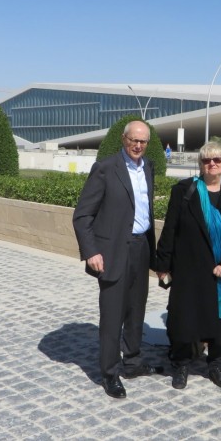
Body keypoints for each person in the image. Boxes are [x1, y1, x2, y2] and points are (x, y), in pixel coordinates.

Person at [73, 120, 164, 399]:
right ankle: (110, 373)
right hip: (112, 252)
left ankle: (133, 362)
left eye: (143, 142)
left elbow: (144, 213)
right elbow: (82, 215)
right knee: (112, 316)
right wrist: (91, 251)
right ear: (123, 140)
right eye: (133, 140)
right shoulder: (105, 168)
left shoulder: (148, 167)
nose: (138, 146)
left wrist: (157, 261)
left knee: (136, 311)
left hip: (141, 248)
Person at [156, 142, 221, 390]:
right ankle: (181, 363)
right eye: (207, 160)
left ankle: (216, 364)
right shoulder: (184, 191)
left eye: (217, 160)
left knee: (218, 320)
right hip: (189, 268)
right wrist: (162, 263)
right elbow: (170, 229)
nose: (212, 164)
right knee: (185, 318)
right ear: (200, 164)